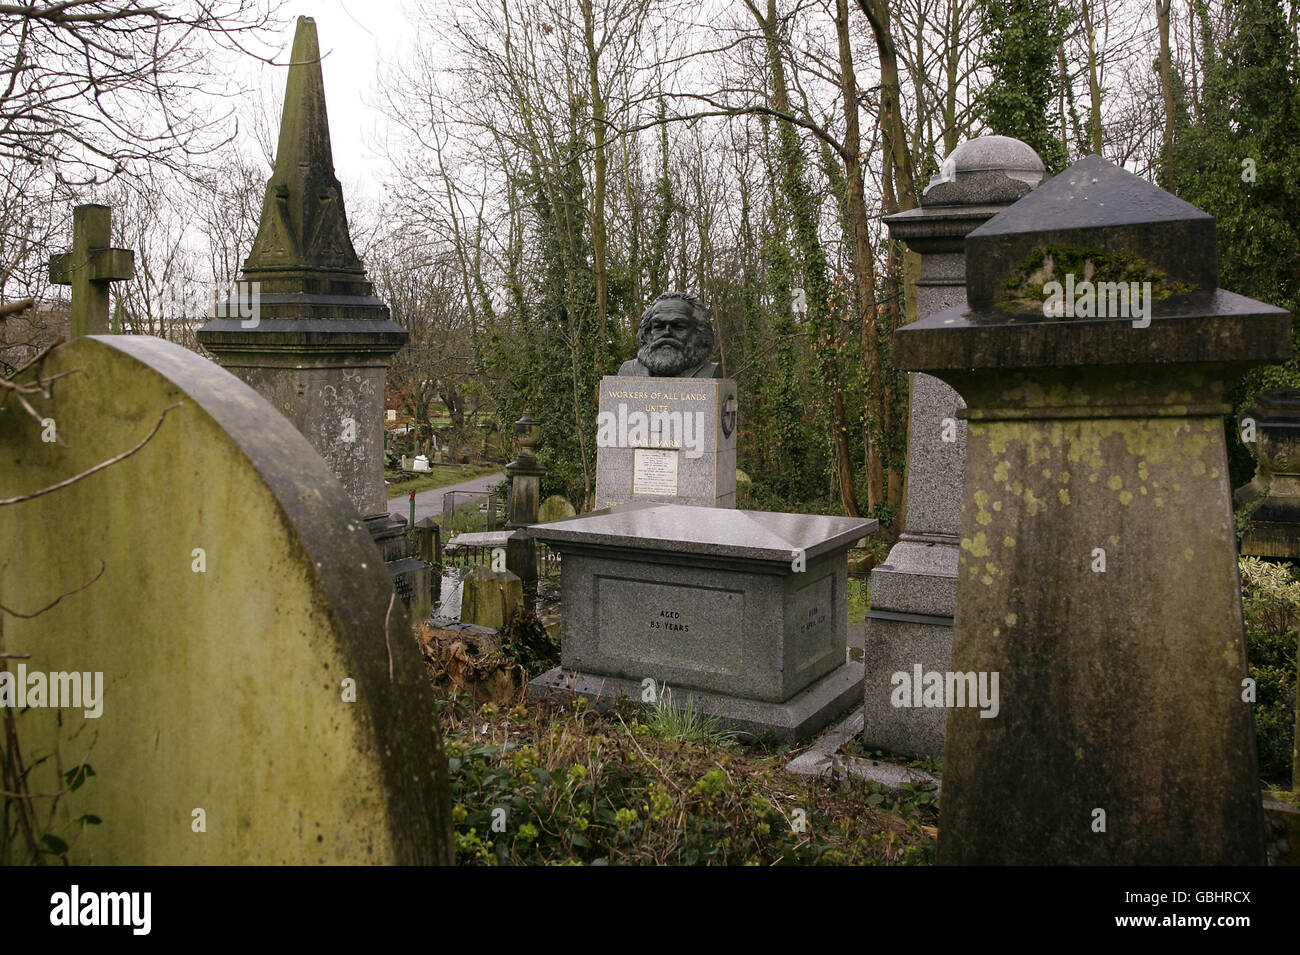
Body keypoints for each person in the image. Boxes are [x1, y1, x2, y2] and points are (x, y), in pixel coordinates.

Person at [617, 291, 721, 378]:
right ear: (647, 333)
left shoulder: (709, 372)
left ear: (698, 333)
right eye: (659, 326)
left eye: (679, 326)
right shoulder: (628, 371)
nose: (667, 333)